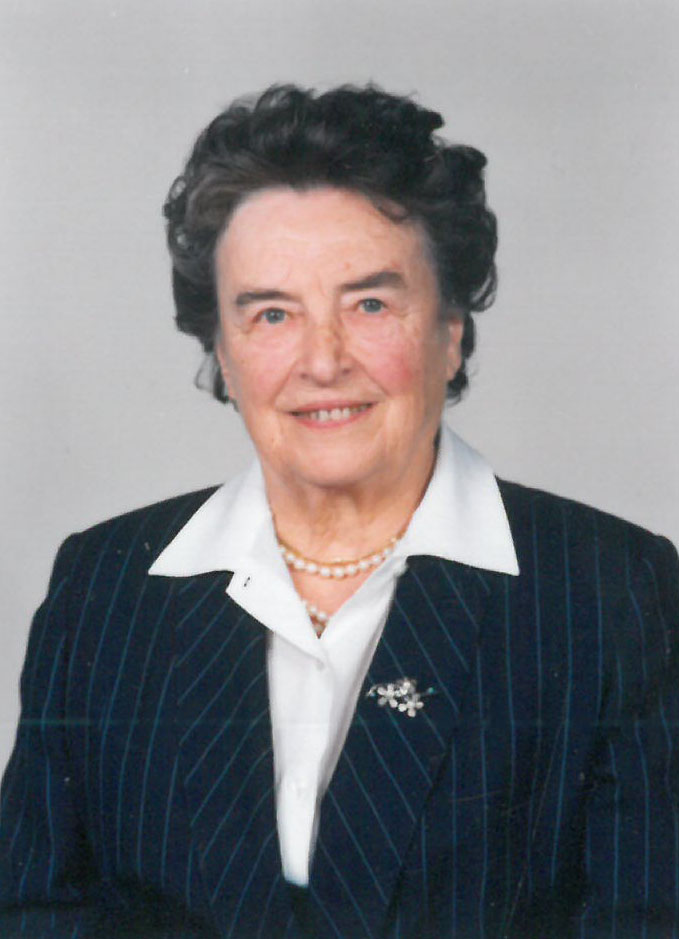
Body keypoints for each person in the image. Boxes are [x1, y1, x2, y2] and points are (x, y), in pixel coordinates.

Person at [0, 84, 677, 939]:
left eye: (369, 304)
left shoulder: (611, 592)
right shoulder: (105, 586)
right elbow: (32, 909)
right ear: (222, 350)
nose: (321, 360)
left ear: (449, 330)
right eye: (271, 313)